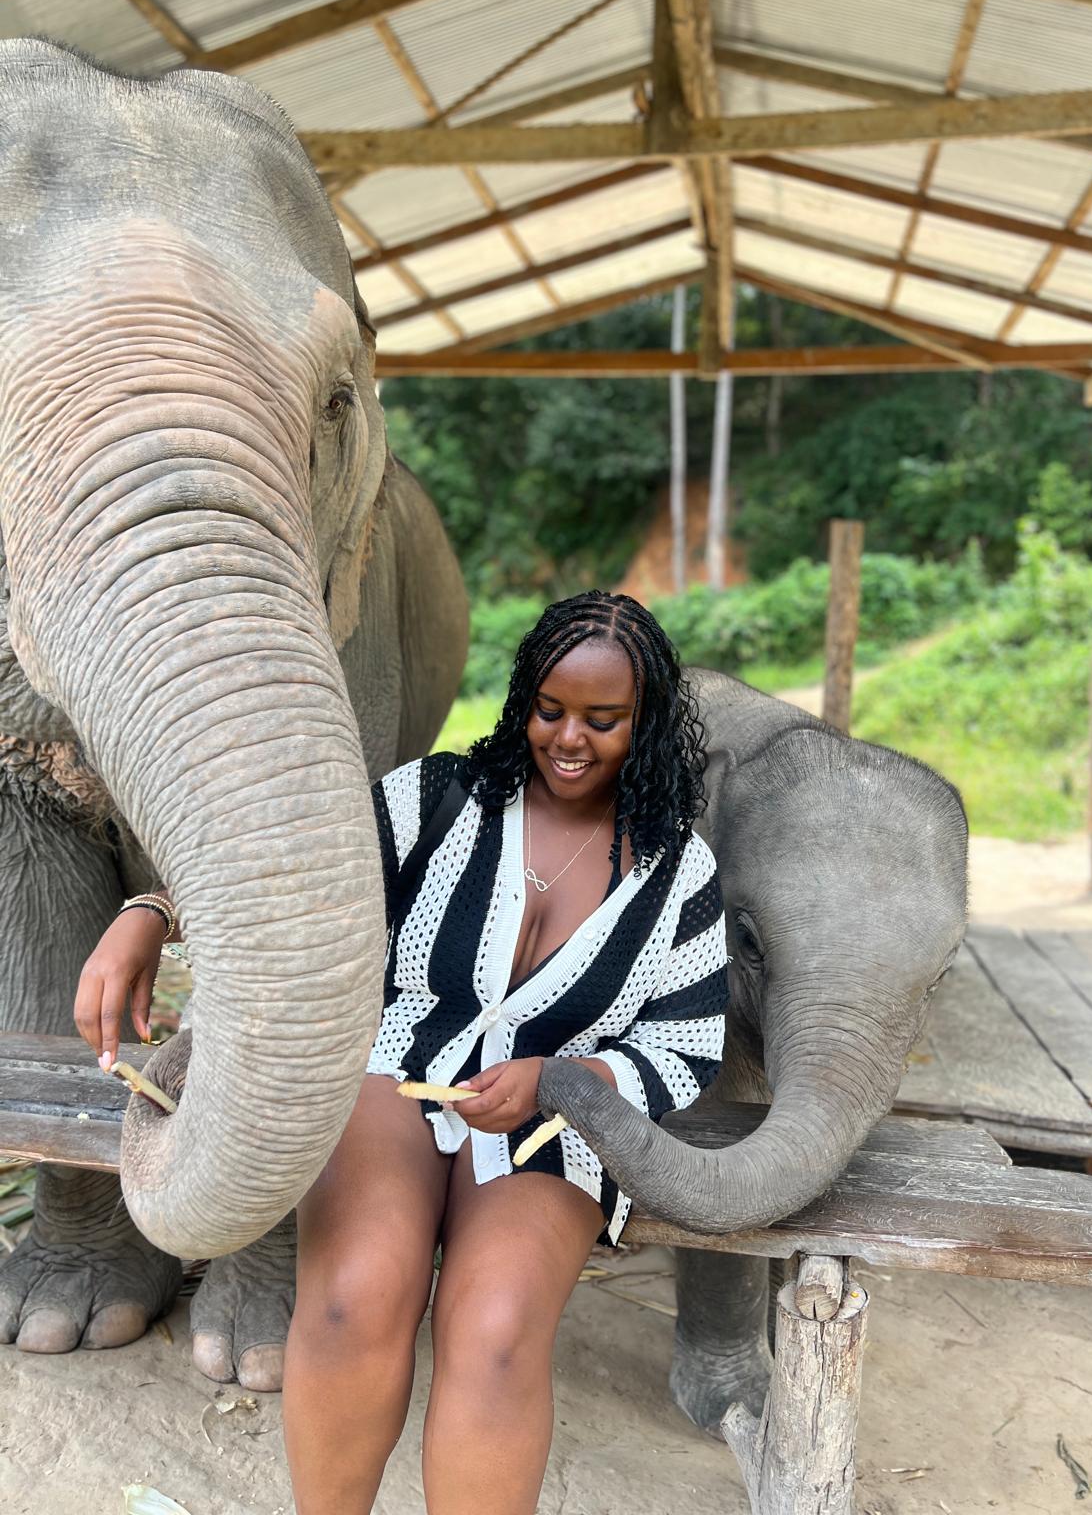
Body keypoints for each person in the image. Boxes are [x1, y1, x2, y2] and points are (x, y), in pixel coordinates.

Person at [75, 590, 728, 1515]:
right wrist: (151, 913)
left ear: (647, 723)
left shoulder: (678, 872)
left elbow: (688, 1045)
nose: (570, 739)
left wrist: (565, 1083)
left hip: (560, 1124)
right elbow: (288, 876)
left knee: (496, 1333)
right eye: (550, 710)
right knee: (355, 1294)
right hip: (394, 1072)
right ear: (522, 702)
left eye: (604, 719)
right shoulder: (439, 798)